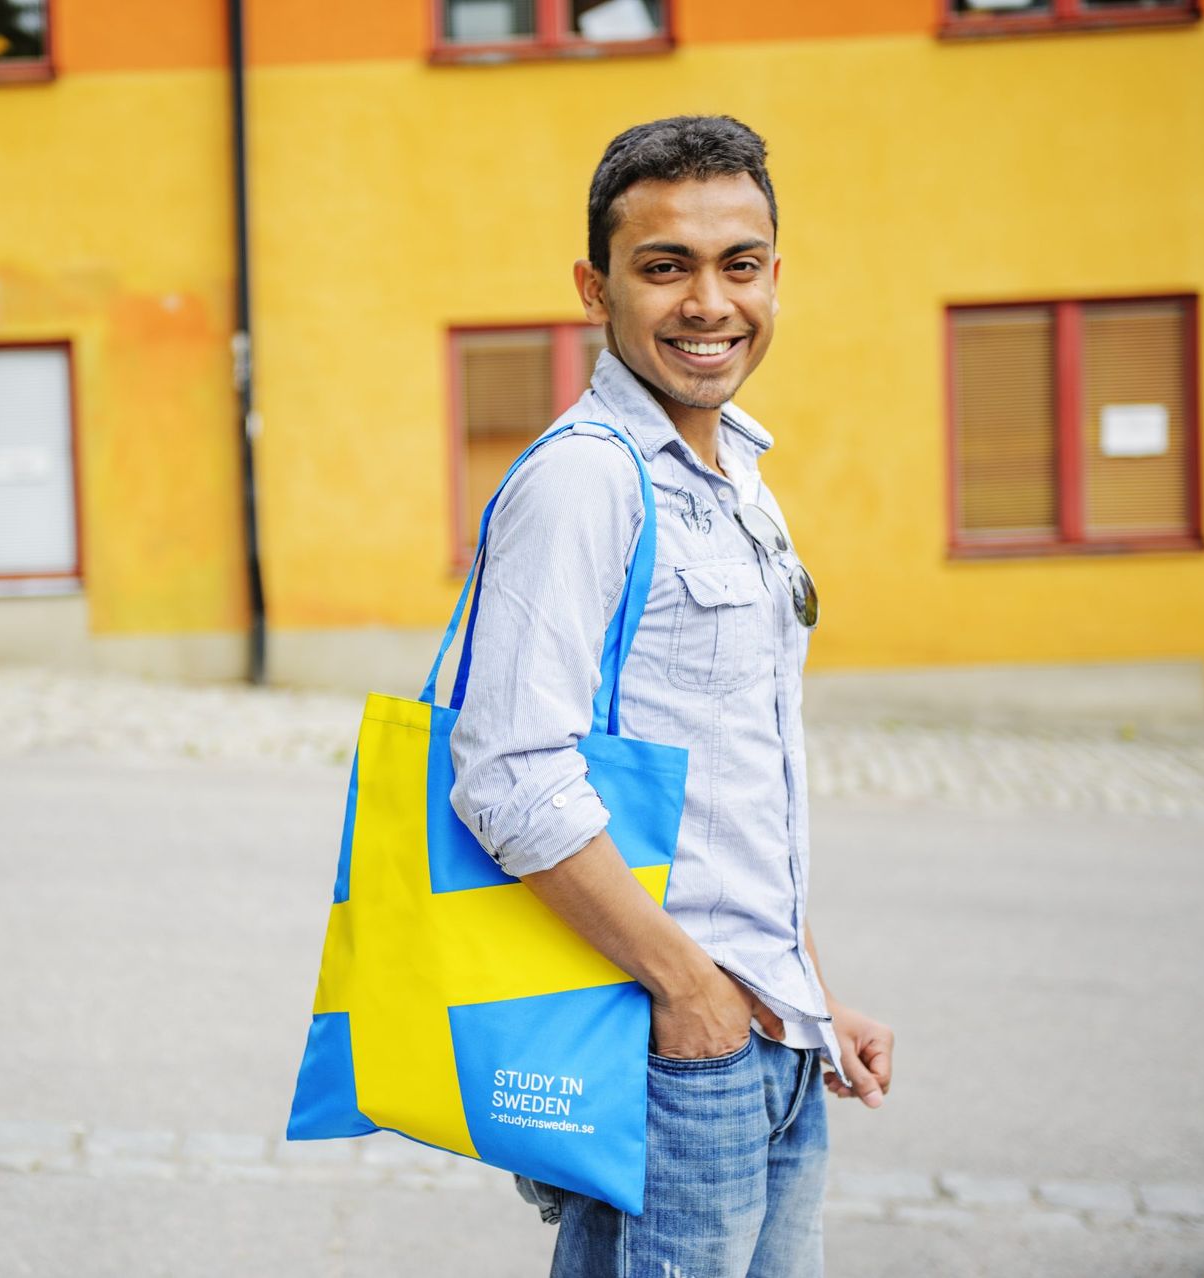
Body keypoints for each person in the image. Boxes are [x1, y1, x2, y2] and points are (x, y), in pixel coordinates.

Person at [448, 115, 894, 1276]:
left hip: (774, 1043)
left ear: (775, 277)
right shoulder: (586, 482)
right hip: (673, 1047)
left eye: (738, 265)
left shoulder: (738, 473)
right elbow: (508, 776)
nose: (710, 302)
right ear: (596, 289)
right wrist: (693, 997)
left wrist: (812, 999)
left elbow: (736, 776)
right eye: (666, 268)